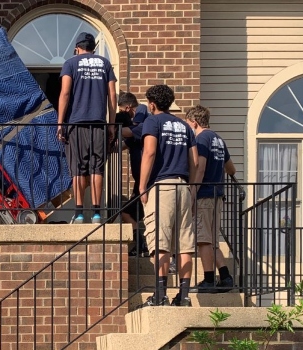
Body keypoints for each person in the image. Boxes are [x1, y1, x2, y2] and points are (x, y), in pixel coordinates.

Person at [138, 84, 198, 307]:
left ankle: (160, 294)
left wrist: (142, 185)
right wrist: (191, 188)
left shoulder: (152, 121)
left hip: (162, 187)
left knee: (160, 241)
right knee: (185, 245)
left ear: (152, 104)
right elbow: (195, 161)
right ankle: (183, 297)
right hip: (184, 186)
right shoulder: (184, 126)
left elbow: (150, 152)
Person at [56, 32, 117, 224]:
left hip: (76, 123)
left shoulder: (71, 63)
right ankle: (98, 213)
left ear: (77, 48)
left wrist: (60, 123)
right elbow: (113, 95)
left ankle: (80, 212)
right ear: (93, 48)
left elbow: (65, 93)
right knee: (96, 168)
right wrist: (112, 124)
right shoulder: (105, 63)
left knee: (78, 169)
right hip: (98, 123)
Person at [184, 105, 236, 293]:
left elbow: (200, 167)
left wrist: (192, 193)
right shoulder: (218, 139)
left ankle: (208, 280)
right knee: (212, 239)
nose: (188, 128)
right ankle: (225, 277)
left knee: (203, 239)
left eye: (188, 124)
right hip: (218, 194)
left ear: (194, 122)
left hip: (204, 194)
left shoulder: (201, 139)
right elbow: (232, 169)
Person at [116, 92, 150, 256]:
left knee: (131, 212)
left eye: (122, 110)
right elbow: (124, 144)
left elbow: (128, 132)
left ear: (128, 107)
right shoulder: (138, 130)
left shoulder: (142, 122)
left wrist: (113, 128)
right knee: (128, 212)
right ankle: (141, 244)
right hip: (140, 181)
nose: (123, 113)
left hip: (148, 181)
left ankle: (145, 246)